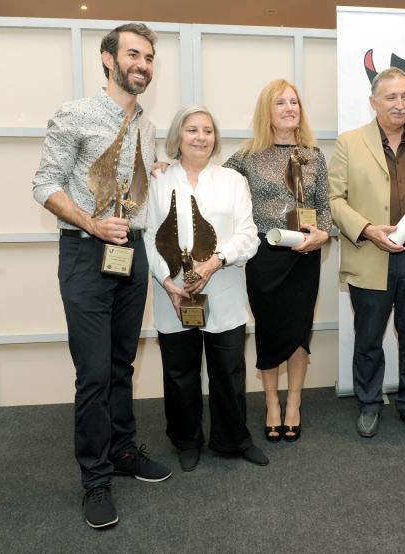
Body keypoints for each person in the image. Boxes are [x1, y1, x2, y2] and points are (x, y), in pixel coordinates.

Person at [32, 23, 171, 529]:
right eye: (134, 54)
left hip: (130, 253)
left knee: (120, 365)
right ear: (108, 59)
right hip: (87, 253)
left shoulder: (147, 125)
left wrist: (156, 169)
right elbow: (43, 183)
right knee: (92, 373)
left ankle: (123, 453)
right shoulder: (75, 114)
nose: (143, 64)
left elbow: (136, 180)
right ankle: (95, 479)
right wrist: (91, 221)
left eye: (150, 57)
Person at [328, 67, 405, 439]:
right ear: (373, 102)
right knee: (368, 340)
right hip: (371, 255)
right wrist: (366, 229)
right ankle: (368, 402)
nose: (400, 103)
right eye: (391, 97)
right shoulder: (349, 142)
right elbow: (334, 199)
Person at [144, 105, 266, 471]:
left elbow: (249, 235)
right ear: (178, 137)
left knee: (228, 371)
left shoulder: (233, 181)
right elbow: (148, 235)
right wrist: (167, 281)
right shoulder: (158, 181)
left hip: (224, 289)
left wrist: (215, 262)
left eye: (208, 131)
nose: (201, 137)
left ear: (215, 139)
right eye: (192, 130)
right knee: (179, 372)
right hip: (174, 294)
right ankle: (186, 440)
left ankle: (233, 439)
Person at [224, 79, 331, 443]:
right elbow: (211, 183)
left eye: (294, 102)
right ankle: (271, 402)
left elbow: (325, 210)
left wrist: (322, 234)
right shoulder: (247, 156)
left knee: (300, 331)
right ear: (267, 112)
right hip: (265, 258)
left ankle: (294, 403)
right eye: (281, 102)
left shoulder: (313, 155)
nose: (289, 108)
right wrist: (168, 169)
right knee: (269, 331)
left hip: (304, 255)